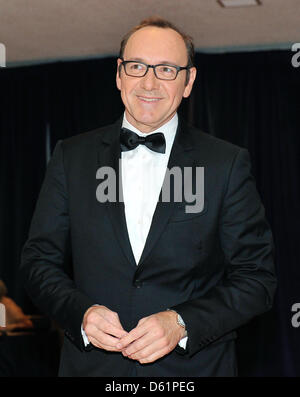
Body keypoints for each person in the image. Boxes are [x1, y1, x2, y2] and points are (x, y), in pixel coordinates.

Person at [20, 17, 277, 377]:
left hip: (195, 370)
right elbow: (37, 262)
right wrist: (81, 312)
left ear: (189, 82)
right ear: (119, 75)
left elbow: (257, 279)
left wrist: (182, 322)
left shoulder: (226, 163)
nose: (149, 82)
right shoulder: (70, 157)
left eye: (167, 69)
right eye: (137, 66)